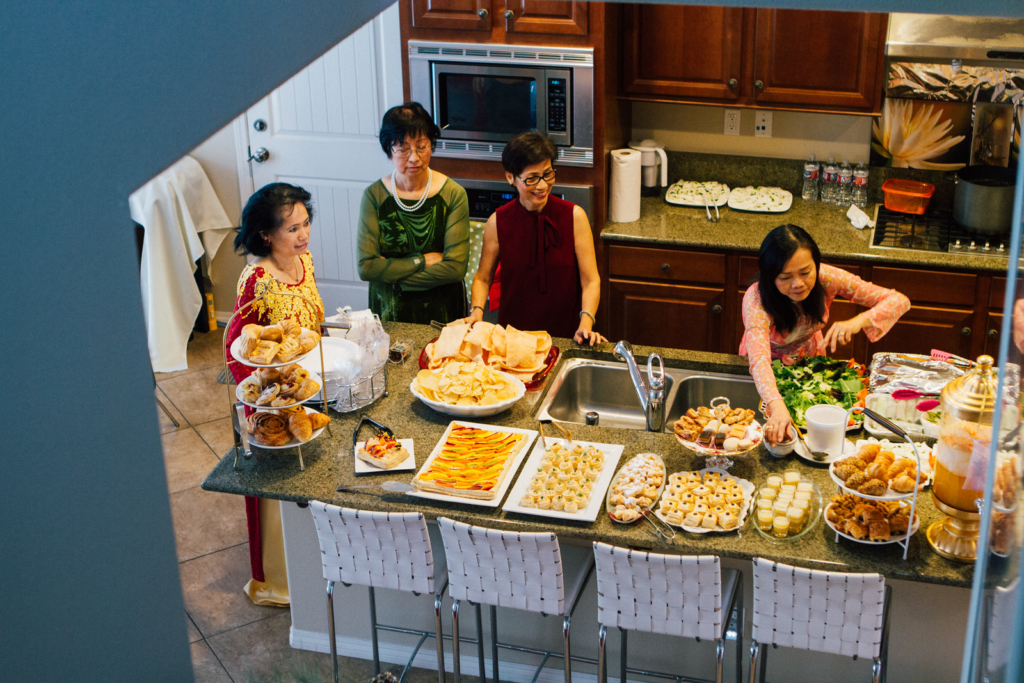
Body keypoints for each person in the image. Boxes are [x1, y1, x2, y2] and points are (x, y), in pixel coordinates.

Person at [225, 182, 324, 607]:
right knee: (279, 488)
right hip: (274, 404)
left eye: (305, 224)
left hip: (309, 391)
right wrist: (271, 390)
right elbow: (237, 348)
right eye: (291, 229)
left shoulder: (305, 262)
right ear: (266, 235)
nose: (303, 236)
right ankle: (281, 583)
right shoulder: (258, 278)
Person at [740, 224, 910, 445]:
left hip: (809, 356)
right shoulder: (756, 300)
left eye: (805, 272)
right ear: (770, 276)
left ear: (816, 265)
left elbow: (899, 301)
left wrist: (858, 322)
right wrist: (776, 405)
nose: (798, 284)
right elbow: (759, 361)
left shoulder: (826, 278)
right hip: (768, 370)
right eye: (785, 277)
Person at [464, 131, 605, 344]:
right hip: (512, 338)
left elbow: (590, 280)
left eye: (548, 174)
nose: (542, 185)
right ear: (511, 177)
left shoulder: (574, 217)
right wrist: (476, 311)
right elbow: (483, 278)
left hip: (566, 336)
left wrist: (585, 323)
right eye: (532, 178)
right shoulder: (498, 222)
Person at [357, 102, 469, 324]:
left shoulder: (454, 194)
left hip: (443, 309)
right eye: (403, 148)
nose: (414, 157)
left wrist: (392, 276)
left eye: (422, 146)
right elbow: (367, 267)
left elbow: (455, 268)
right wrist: (421, 261)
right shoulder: (374, 196)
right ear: (389, 148)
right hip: (390, 310)